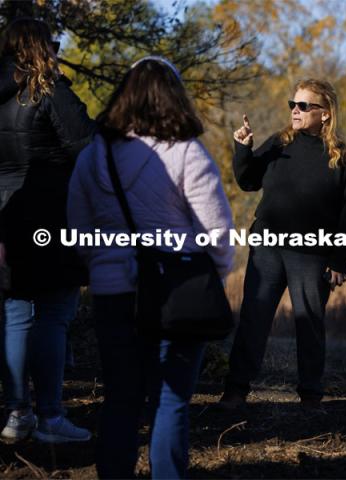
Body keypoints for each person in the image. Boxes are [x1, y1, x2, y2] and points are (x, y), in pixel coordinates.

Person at [67, 56, 234, 479]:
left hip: (111, 293)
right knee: (171, 399)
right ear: (174, 97)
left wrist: (102, 264)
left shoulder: (94, 155)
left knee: (121, 397)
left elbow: (77, 225)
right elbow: (216, 231)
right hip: (177, 291)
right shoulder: (188, 155)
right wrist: (212, 277)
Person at [220, 79, 346, 409]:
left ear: (325, 114)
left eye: (303, 106)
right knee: (254, 319)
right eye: (292, 105)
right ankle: (236, 390)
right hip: (267, 248)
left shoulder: (340, 157)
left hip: (312, 253)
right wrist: (243, 149)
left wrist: (341, 259)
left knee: (309, 323)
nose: (295, 111)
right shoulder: (279, 143)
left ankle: (310, 395)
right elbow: (248, 181)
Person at [0, 17, 95, 443]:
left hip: (5, 216)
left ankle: (17, 413)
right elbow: (88, 148)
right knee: (55, 315)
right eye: (53, 44)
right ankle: (52, 417)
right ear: (40, 48)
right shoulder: (50, 91)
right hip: (50, 215)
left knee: (16, 315)